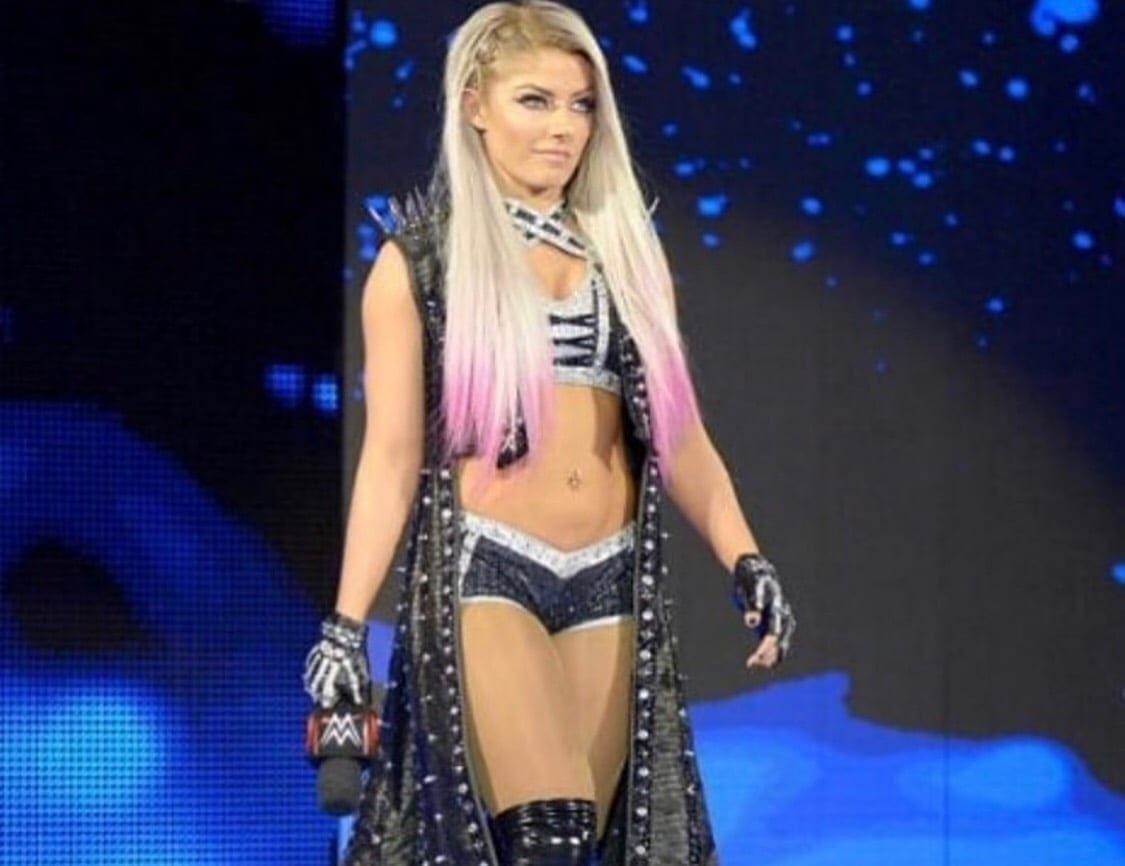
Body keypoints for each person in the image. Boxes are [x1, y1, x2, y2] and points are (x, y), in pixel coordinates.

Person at [302, 2, 796, 864]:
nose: (563, 127)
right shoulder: (421, 264)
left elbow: (679, 437)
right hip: (490, 572)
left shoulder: (628, 257)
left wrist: (745, 558)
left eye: (580, 104)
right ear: (474, 105)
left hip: (610, 579)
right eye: (534, 100)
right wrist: (345, 626)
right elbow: (390, 459)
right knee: (548, 833)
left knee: (593, 845)